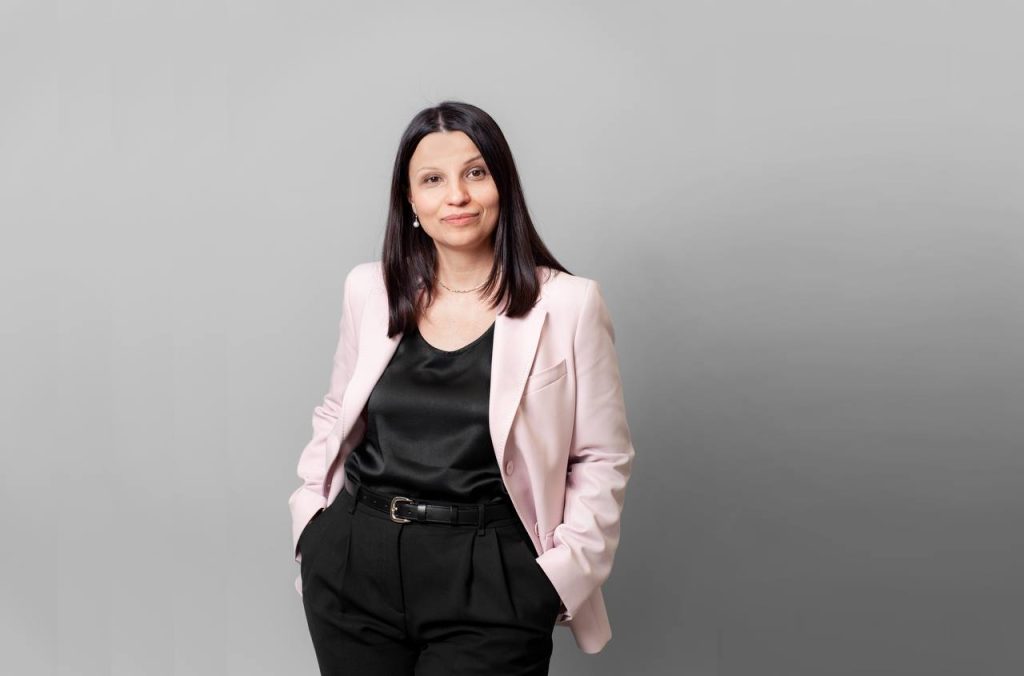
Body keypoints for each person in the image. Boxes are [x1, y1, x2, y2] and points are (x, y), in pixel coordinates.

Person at [288, 100, 636, 675]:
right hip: (355, 559)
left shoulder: (569, 305)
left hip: (491, 574)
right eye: (433, 179)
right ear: (410, 200)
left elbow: (602, 456)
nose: (457, 195)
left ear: (503, 185)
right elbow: (338, 411)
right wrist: (312, 524)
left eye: (475, 172)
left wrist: (557, 578)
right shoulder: (369, 290)